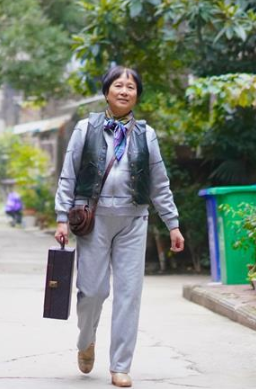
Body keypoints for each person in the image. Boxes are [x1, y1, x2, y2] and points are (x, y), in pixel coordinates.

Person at [54, 65, 185, 388]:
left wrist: (172, 224)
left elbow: (159, 183)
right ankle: (86, 340)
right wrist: (61, 217)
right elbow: (68, 175)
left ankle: (120, 366)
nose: (125, 91)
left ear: (137, 95)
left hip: (133, 220)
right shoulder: (85, 129)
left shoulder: (146, 134)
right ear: (106, 91)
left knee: (129, 294)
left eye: (131, 87)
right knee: (92, 292)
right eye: (118, 85)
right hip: (92, 220)